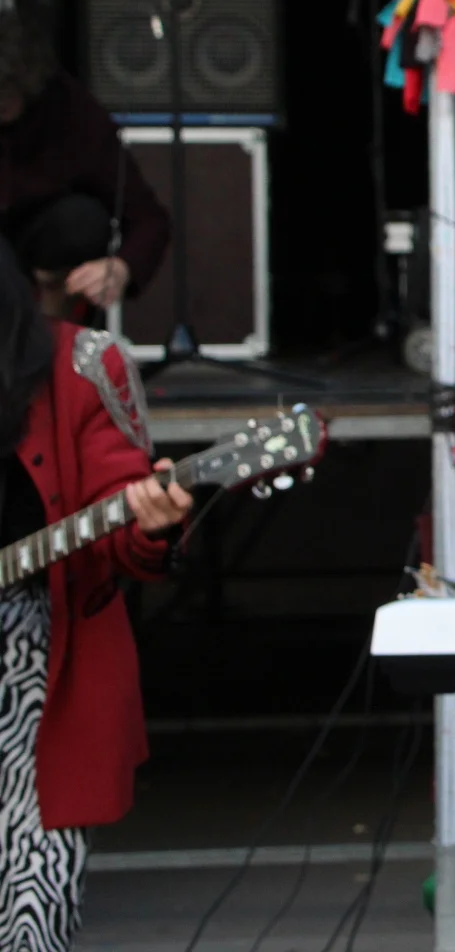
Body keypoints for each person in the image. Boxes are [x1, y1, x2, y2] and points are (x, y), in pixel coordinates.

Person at [0, 235, 192, 950]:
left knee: (31, 921)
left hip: (36, 676)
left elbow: (121, 527)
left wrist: (152, 522)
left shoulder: (76, 366)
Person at [0, 12, 171, 320]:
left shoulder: (71, 112)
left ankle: (56, 337)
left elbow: (148, 217)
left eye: (8, 94)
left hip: (39, 246)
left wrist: (122, 268)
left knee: (81, 221)